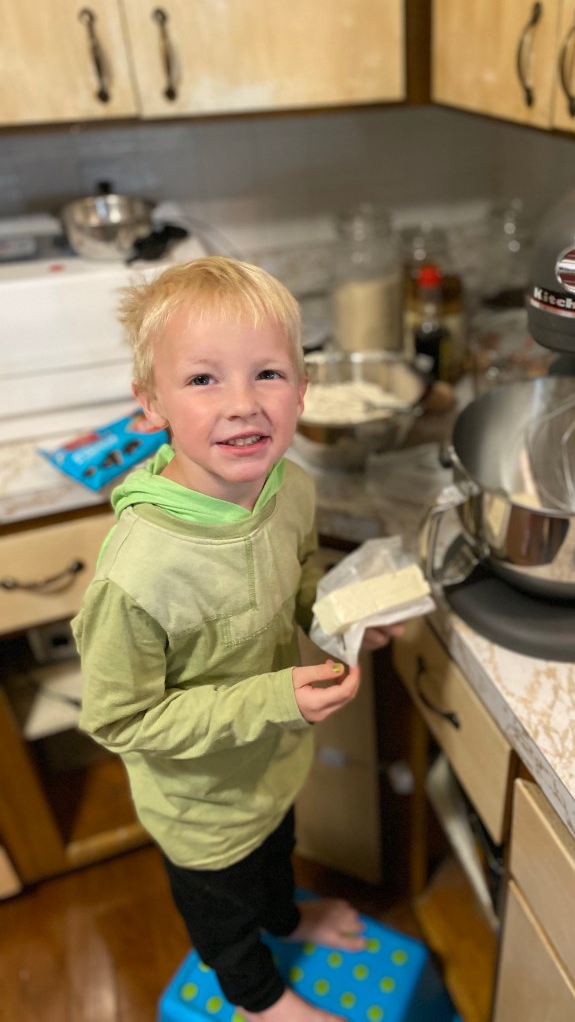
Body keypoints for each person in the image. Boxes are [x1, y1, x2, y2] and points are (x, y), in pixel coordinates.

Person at [72, 256, 401, 1022]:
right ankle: (260, 999)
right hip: (200, 807)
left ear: (303, 388)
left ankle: (286, 919)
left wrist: (338, 616)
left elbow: (298, 578)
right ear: (149, 403)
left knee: (275, 858)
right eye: (203, 379)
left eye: (268, 374)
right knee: (222, 914)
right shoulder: (138, 575)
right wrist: (274, 698)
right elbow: (121, 721)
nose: (244, 405)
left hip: (272, 765)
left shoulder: (291, 489)